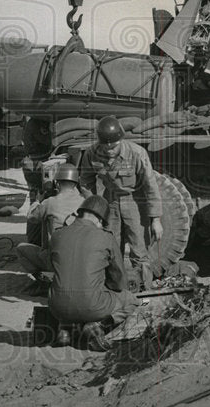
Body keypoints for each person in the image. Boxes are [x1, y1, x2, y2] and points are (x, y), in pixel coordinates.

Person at [79, 115, 163, 289]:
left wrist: (156, 219)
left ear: (121, 140)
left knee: (139, 249)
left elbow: (151, 186)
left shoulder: (136, 153)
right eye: (106, 144)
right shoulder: (92, 153)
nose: (109, 148)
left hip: (135, 203)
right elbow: (86, 181)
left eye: (114, 145)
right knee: (111, 247)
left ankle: (144, 290)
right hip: (110, 202)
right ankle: (115, 290)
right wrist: (94, 211)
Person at [48, 194, 141, 349]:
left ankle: (65, 329)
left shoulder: (57, 234)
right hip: (92, 306)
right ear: (99, 220)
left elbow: (54, 268)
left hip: (56, 308)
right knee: (130, 300)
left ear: (80, 213)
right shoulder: (105, 237)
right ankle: (98, 325)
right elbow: (119, 282)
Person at [16, 164, 81, 292]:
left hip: (56, 261)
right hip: (80, 262)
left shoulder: (50, 202)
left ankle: (44, 282)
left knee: (21, 249)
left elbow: (32, 217)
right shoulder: (84, 201)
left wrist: (37, 201)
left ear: (57, 184)